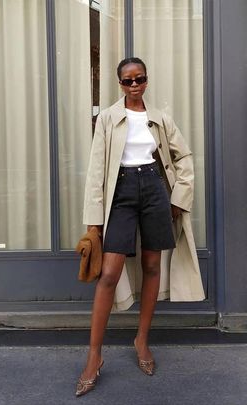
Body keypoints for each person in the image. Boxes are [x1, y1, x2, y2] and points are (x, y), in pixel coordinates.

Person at [76, 57, 205, 397]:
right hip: (119, 192)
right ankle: (94, 355)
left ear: (147, 80)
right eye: (127, 81)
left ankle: (142, 341)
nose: (134, 85)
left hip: (154, 190)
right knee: (108, 273)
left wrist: (179, 198)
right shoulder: (107, 118)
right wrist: (93, 220)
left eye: (140, 79)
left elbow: (184, 157)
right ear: (119, 84)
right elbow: (95, 170)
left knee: (151, 266)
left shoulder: (159, 119)